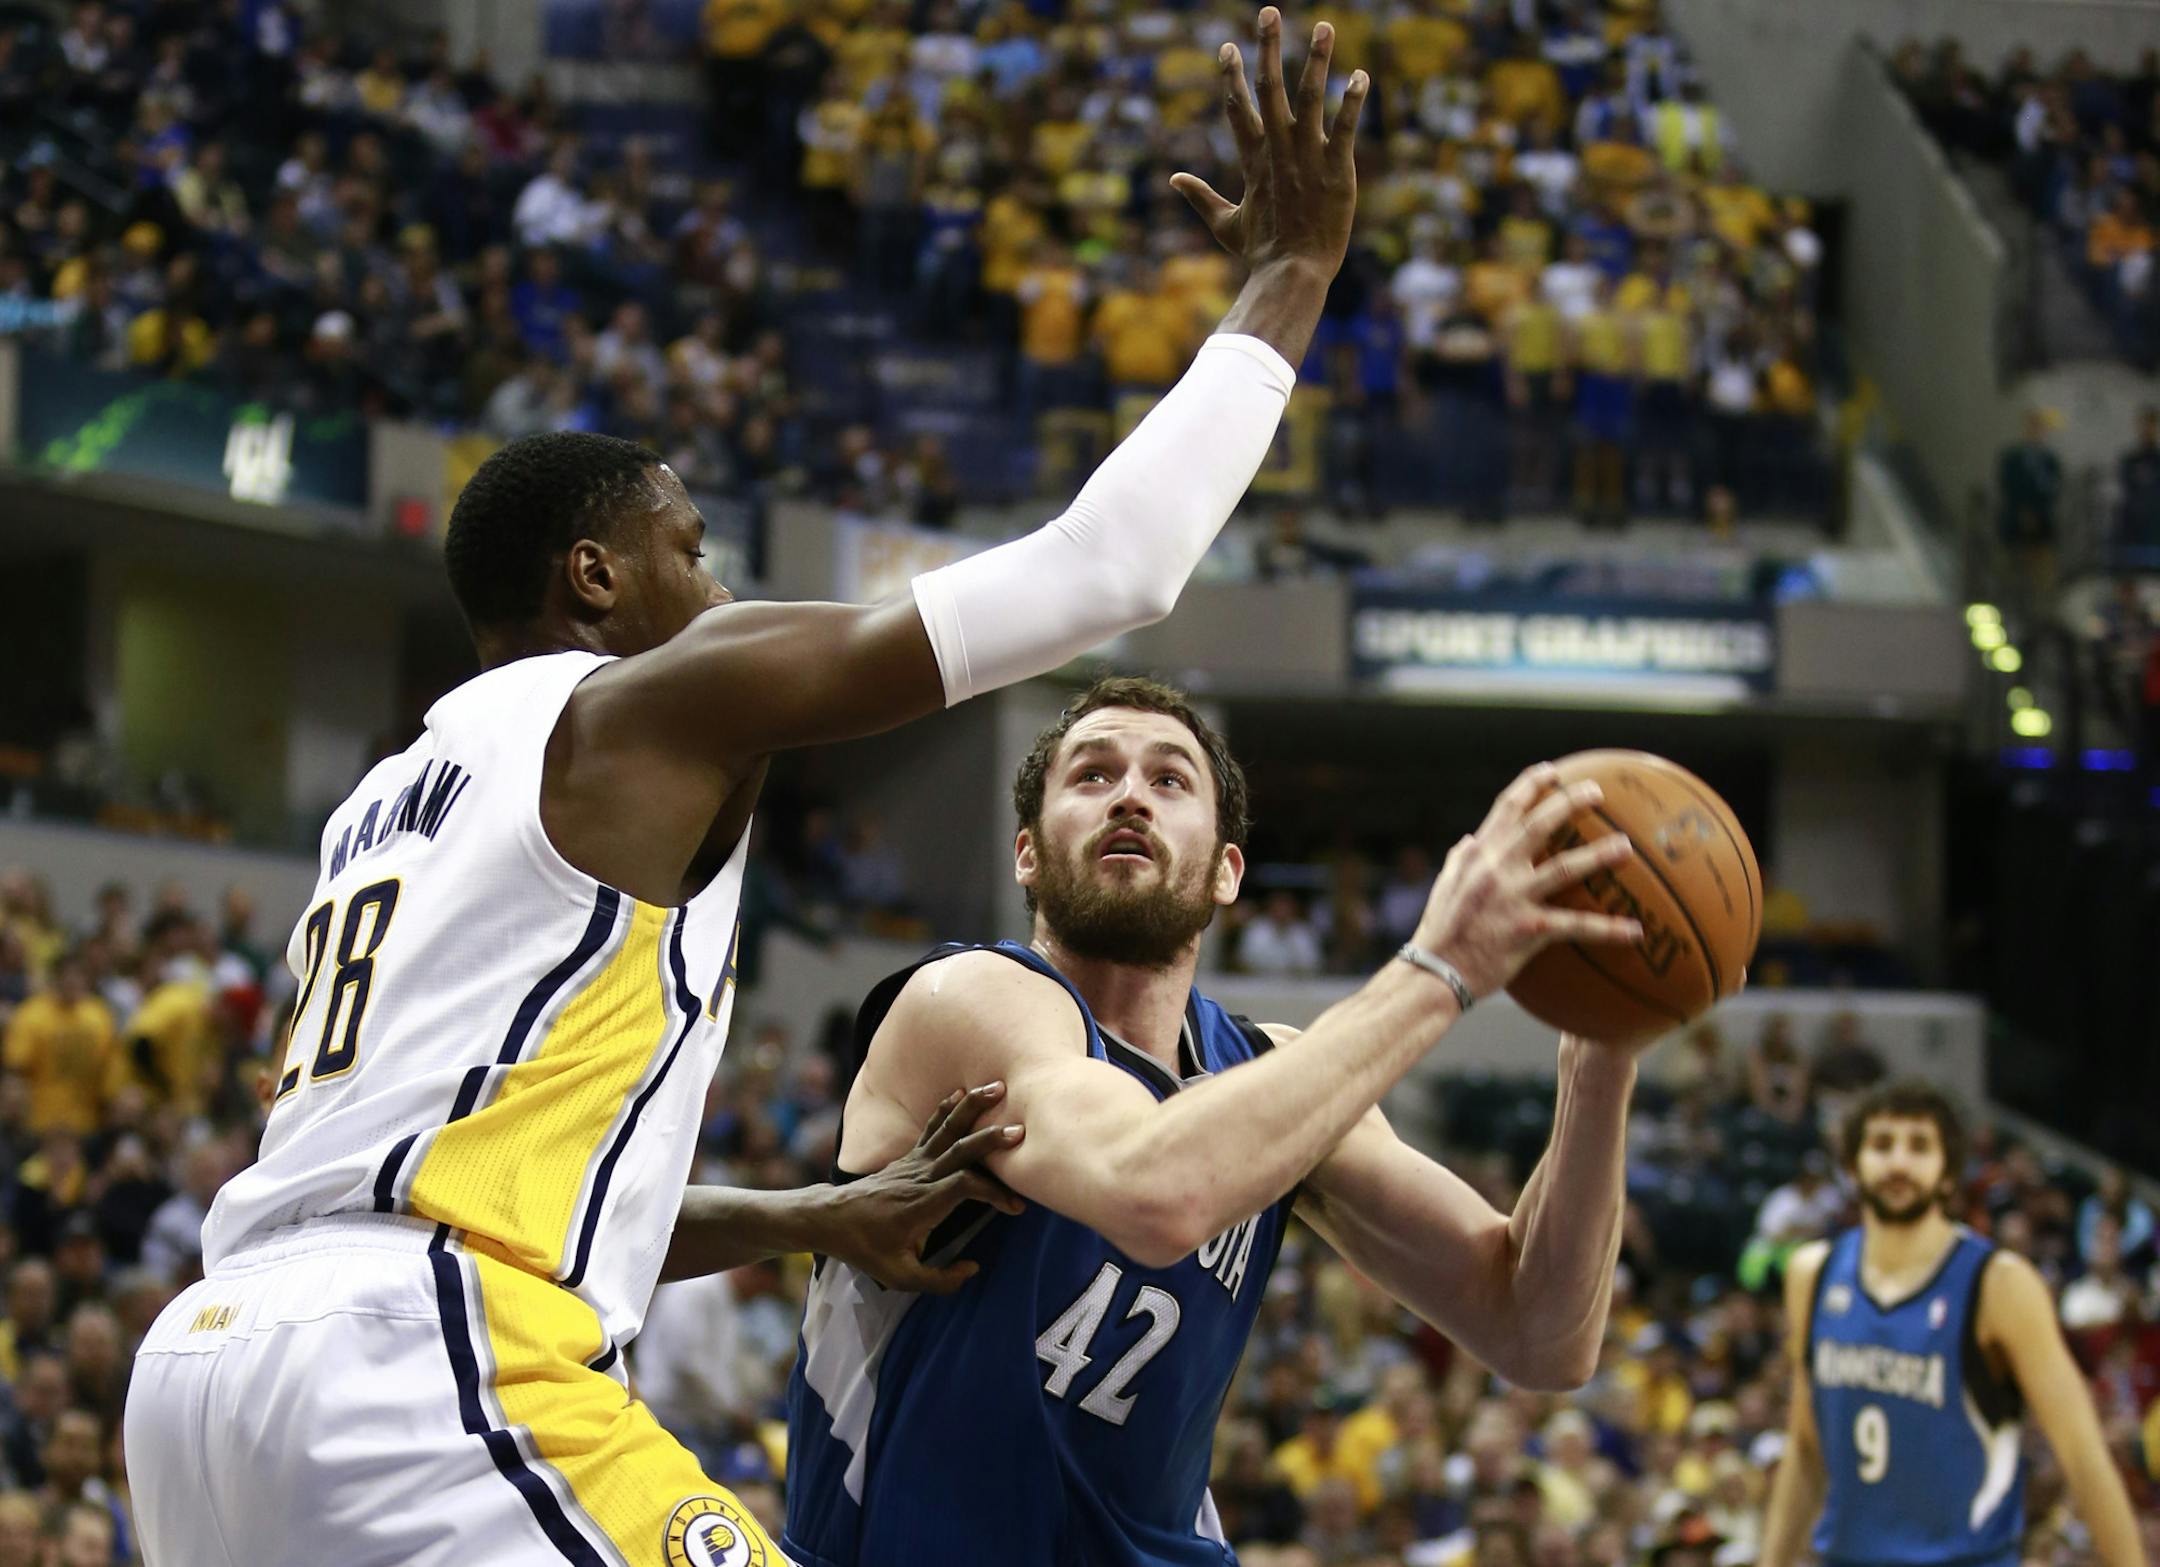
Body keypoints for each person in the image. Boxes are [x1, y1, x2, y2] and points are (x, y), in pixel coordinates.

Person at [124, 6, 1367, 1558]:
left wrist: (808, 1218)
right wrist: (1292, 278)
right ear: (594, 576)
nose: (717, 588)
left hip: (208, 1365)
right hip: (420, 1367)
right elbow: (1110, 568)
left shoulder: (382, 806)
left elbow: (464, 1171)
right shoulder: (651, 703)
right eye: (688, 550)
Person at [784, 674, 1649, 1566]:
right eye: (1091, 775)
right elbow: (1156, 1186)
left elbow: (1543, 1331)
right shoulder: (964, 997)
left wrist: (1604, 1048)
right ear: (1028, 855)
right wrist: (1442, 966)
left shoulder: (1271, 1073)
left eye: (1169, 779)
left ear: (1227, 868)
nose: (1128, 793)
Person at [1759, 1081, 2147, 1567]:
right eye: (1882, 1144)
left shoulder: (1998, 1284)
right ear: (1854, 1167)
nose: (1899, 1162)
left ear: (1948, 1174)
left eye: (1919, 1145)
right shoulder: (1811, 1274)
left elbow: (2083, 1456)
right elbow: (1805, 1447)